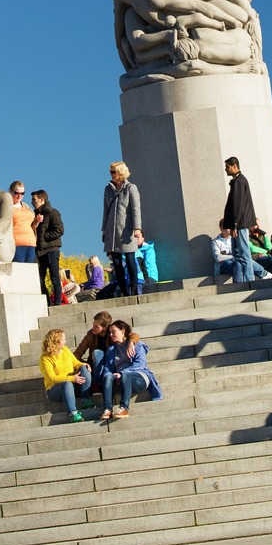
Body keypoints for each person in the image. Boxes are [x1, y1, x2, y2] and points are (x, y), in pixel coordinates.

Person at [98, 319, 161, 421]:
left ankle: (124, 408)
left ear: (122, 331)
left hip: (139, 377)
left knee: (125, 375)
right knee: (107, 376)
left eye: (113, 332)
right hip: (119, 380)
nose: (110, 335)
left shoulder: (138, 345)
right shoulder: (111, 350)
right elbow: (107, 368)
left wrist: (122, 373)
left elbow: (140, 364)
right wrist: (110, 375)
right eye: (109, 332)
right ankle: (107, 409)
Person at [102, 161, 144, 297]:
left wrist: (137, 228)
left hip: (126, 230)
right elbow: (106, 210)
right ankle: (124, 290)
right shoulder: (108, 189)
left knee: (130, 258)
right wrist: (104, 229)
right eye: (110, 171)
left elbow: (136, 209)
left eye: (113, 172)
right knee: (116, 262)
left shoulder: (131, 188)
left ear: (120, 172)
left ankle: (133, 288)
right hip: (111, 230)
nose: (111, 174)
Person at [39, 328, 93, 423]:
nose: (65, 341)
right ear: (57, 341)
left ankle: (85, 400)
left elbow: (76, 363)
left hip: (74, 383)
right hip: (55, 389)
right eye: (63, 339)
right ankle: (73, 413)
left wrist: (83, 365)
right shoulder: (45, 358)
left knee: (84, 368)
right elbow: (52, 378)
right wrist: (72, 378)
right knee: (66, 384)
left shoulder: (65, 350)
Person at [222, 156, 256, 284]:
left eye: (227, 167)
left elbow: (238, 204)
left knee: (244, 252)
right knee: (238, 254)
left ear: (234, 166)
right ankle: (244, 279)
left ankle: (249, 280)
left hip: (240, 224)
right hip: (238, 224)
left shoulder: (239, 181)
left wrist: (235, 225)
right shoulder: (237, 181)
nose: (226, 169)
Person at [30, 190, 65, 306]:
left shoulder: (52, 213)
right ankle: (47, 303)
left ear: (41, 199)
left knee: (54, 277)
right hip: (39, 252)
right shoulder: (33, 215)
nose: (32, 202)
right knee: (39, 279)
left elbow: (60, 230)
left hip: (51, 250)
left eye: (34, 199)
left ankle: (57, 303)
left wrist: (44, 237)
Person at [73, 310, 112, 389]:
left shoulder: (113, 332)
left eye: (97, 327)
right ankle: (95, 382)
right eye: (93, 325)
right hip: (94, 366)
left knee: (97, 353)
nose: (93, 328)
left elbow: (133, 335)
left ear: (105, 327)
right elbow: (78, 352)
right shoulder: (90, 334)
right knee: (88, 361)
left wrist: (131, 342)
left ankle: (96, 382)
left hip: (109, 365)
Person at [10, 181, 37, 264]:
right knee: (19, 272)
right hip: (17, 244)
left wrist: (37, 221)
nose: (19, 196)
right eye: (16, 193)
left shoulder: (26, 206)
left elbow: (32, 225)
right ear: (11, 192)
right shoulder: (7, 206)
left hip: (31, 243)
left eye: (22, 193)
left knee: (29, 273)